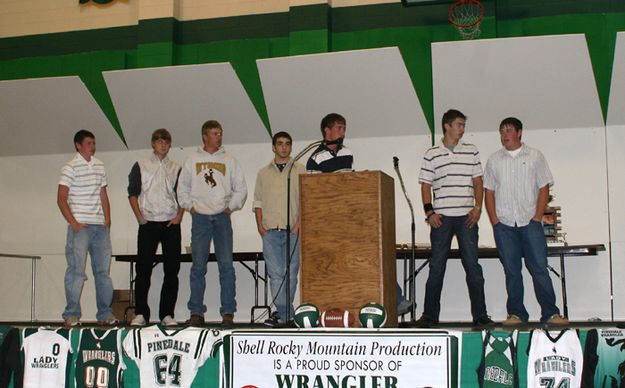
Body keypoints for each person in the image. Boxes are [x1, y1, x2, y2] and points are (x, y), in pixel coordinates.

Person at [483, 117, 568, 326]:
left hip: (530, 223)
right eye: (502, 130)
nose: (505, 134)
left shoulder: (535, 156)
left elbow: (544, 188)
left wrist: (537, 217)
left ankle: (551, 313)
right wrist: (495, 222)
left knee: (539, 268)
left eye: (509, 130)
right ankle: (516, 314)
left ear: (520, 132)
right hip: (504, 225)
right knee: (512, 271)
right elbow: (489, 192)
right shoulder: (494, 160)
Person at [417, 109, 492, 327]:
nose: (462, 129)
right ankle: (429, 316)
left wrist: (478, 208)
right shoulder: (432, 153)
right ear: (447, 126)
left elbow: (478, 182)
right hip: (441, 218)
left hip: (467, 217)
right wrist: (429, 212)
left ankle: (480, 316)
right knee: (437, 267)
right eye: (459, 124)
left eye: (463, 125)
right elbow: (425, 185)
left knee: (472, 266)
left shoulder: (471, 151)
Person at [177, 120, 247, 326]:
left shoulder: (230, 160)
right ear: (205, 136)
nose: (219, 137)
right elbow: (182, 189)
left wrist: (230, 207)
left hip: (222, 218)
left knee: (226, 265)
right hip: (200, 219)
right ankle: (196, 312)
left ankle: (228, 312)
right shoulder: (191, 160)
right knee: (198, 266)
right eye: (215, 133)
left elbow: (241, 188)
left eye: (220, 133)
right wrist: (191, 207)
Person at [57, 129, 117, 327]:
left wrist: (107, 219)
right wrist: (74, 223)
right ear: (78, 145)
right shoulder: (70, 167)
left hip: (100, 226)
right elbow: (61, 198)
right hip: (80, 227)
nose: (93, 146)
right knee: (76, 271)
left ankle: (105, 313)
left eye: (94, 143)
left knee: (103, 272)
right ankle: (72, 314)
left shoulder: (99, 165)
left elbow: (103, 194)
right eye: (89, 143)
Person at [127, 128, 184, 327]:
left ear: (170, 145)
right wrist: (140, 218)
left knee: (171, 270)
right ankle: (141, 313)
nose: (163, 145)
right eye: (159, 141)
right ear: (153, 143)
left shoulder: (176, 168)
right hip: (148, 223)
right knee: (143, 270)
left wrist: (179, 217)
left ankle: (167, 314)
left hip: (170, 223)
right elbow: (132, 193)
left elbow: (182, 196)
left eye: (166, 142)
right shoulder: (140, 165)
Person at [253, 131, 306, 326]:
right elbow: (257, 202)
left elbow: (305, 200)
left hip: (293, 231)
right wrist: (260, 226)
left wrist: (299, 224)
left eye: (287, 144)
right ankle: (287, 315)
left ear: (291, 147)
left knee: (291, 274)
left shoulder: (300, 170)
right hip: (270, 232)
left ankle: (283, 316)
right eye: (280, 144)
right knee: (275, 275)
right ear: (274, 147)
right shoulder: (263, 173)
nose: (284, 147)